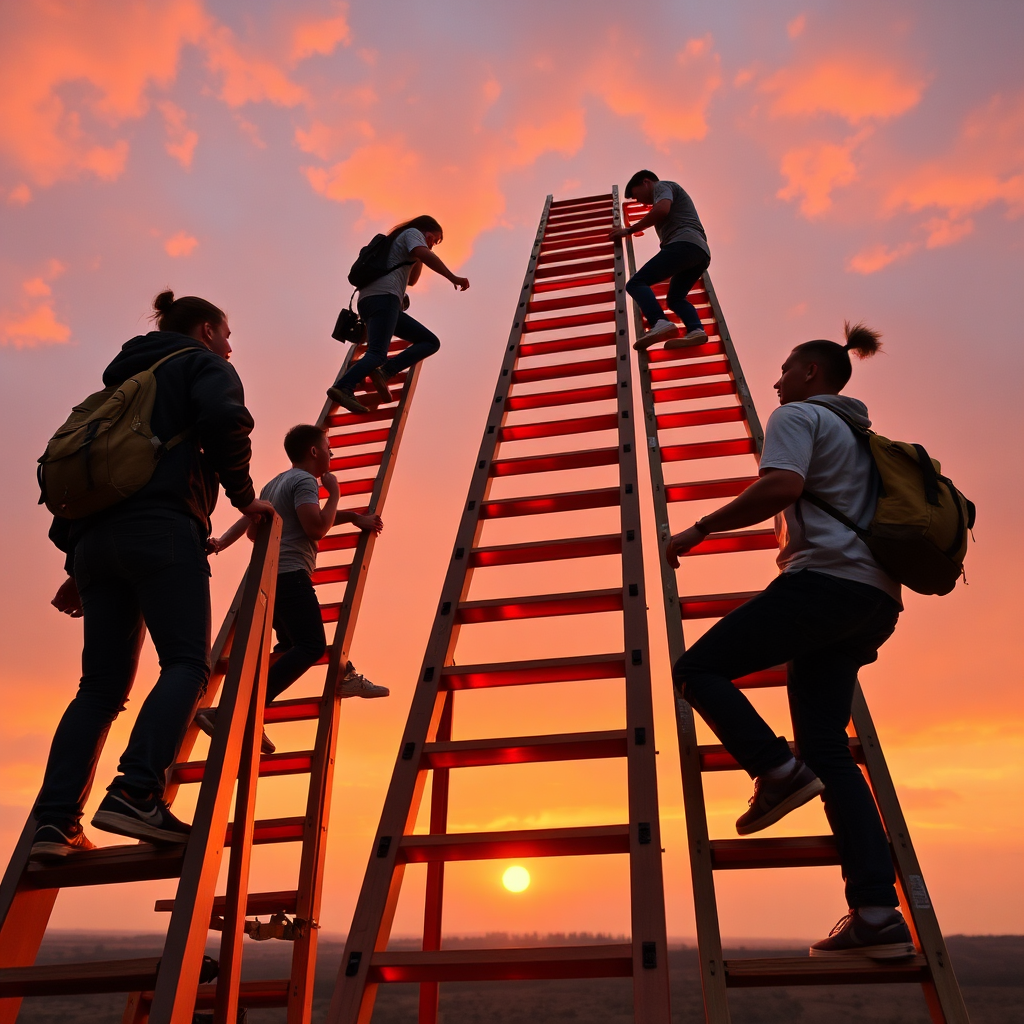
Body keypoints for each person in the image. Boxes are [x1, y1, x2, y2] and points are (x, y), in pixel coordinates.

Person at [666, 323, 916, 960]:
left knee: (699, 668)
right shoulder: (863, 437)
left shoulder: (798, 415)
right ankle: (877, 914)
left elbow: (782, 486)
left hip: (825, 585)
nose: (775, 381)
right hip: (875, 600)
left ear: (810, 373)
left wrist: (696, 531)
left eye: (784, 369)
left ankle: (776, 771)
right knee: (831, 752)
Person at [32, 291, 276, 859]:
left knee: (98, 687)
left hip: (95, 545)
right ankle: (136, 791)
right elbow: (222, 419)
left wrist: (77, 561)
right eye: (228, 335)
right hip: (163, 529)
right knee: (188, 662)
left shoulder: (116, 387)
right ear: (209, 329)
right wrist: (244, 498)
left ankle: (54, 822)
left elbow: (86, 475)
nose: (231, 347)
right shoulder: (202, 364)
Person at [201, 424, 389, 752]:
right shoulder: (305, 481)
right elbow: (315, 527)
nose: (332, 453)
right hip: (291, 575)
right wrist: (336, 493)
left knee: (289, 645)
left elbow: (249, 519)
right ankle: (239, 712)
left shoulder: (277, 482)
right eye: (328, 447)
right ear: (314, 451)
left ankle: (247, 709)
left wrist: (219, 544)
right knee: (312, 644)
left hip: (267, 579)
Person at [327, 215, 469, 415]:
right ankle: (344, 386)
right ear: (422, 229)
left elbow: (412, 281)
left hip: (374, 301)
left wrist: (419, 253)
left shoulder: (404, 242)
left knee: (429, 341)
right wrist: (451, 276)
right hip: (384, 299)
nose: (432, 245)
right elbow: (425, 254)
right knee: (377, 353)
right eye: (433, 239)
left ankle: (385, 372)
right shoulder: (412, 233)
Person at [610, 169, 711, 351]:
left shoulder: (662, 187)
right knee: (675, 299)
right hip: (700, 252)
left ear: (646, 182)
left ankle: (659, 322)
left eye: (636, 196)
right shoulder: (665, 191)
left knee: (636, 283)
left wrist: (629, 230)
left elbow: (662, 209)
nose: (639, 202)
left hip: (684, 244)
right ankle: (696, 330)